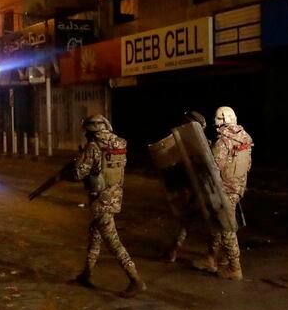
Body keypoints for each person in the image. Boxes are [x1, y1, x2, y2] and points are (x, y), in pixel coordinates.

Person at [66, 114, 147, 298]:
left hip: (101, 200)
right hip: (115, 196)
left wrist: (71, 171)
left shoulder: (93, 147)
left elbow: (79, 174)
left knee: (112, 241)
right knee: (94, 233)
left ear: (91, 131)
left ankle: (135, 280)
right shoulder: (120, 144)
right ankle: (87, 273)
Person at [193, 106, 253, 280]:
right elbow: (247, 165)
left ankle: (234, 267)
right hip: (238, 187)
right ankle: (212, 258)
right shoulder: (245, 137)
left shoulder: (223, 142)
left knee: (226, 227)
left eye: (217, 121)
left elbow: (214, 167)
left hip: (225, 189)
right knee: (217, 223)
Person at [166, 110, 208, 263]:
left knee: (189, 221)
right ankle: (175, 250)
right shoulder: (184, 143)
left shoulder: (183, 142)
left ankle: (174, 250)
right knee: (193, 220)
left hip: (198, 187)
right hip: (192, 187)